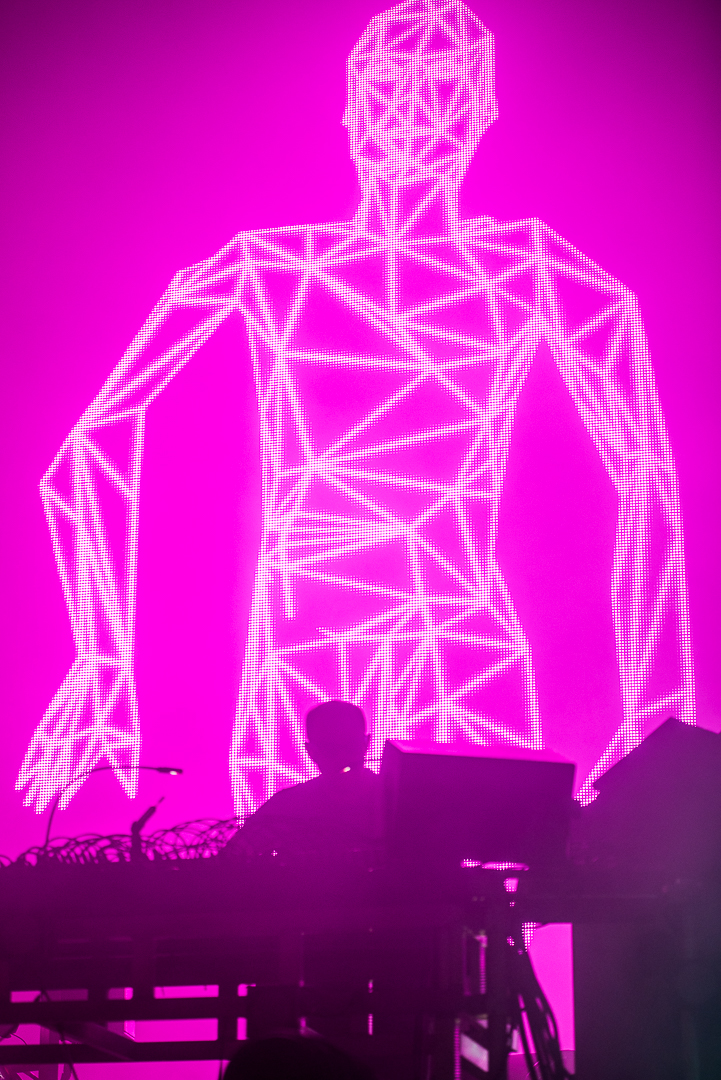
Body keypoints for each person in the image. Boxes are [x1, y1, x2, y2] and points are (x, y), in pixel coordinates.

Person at [223, 701, 383, 860]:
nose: (341, 757)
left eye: (349, 745)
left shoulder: (288, 805)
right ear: (311, 752)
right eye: (330, 749)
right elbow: (230, 858)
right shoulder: (286, 806)